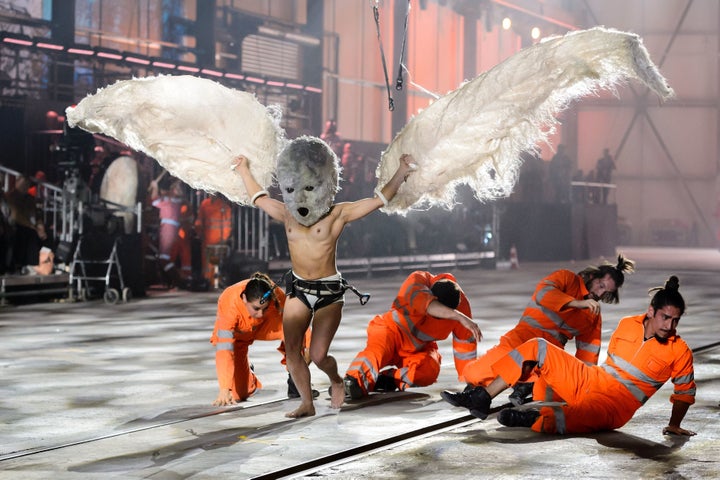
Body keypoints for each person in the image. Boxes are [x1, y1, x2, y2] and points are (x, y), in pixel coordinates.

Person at [232, 135, 415, 418]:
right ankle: (306, 402)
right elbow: (260, 198)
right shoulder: (288, 214)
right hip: (298, 289)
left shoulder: (337, 214)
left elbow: (378, 200)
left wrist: (402, 171)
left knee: (318, 355)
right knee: (292, 350)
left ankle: (336, 379)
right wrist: (243, 169)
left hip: (329, 292)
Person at [443, 276, 696, 437]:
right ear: (651, 311)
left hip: (617, 405)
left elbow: (684, 393)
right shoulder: (627, 323)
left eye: (675, 320)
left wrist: (674, 425)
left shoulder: (679, 350)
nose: (670, 326)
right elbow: (594, 361)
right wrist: (569, 373)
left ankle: (533, 420)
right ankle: (483, 397)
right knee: (537, 346)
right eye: (666, 317)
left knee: (575, 417)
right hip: (591, 379)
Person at [442, 255, 635, 406]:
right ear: (593, 276)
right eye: (601, 286)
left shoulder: (593, 316)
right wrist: (577, 303)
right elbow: (543, 294)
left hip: (544, 355)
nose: (600, 294)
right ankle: (519, 384)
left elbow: (588, 355)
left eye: (606, 292)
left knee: (547, 389)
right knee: (473, 374)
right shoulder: (567, 278)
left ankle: (523, 385)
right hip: (520, 338)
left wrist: (581, 384)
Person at [344, 270, 482, 399]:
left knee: (429, 370)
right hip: (391, 331)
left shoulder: (461, 307)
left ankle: (388, 380)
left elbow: (465, 347)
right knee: (377, 352)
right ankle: (353, 381)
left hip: (417, 349)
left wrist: (470, 381)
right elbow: (427, 304)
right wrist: (457, 316)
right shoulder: (417, 281)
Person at [210, 272, 313, 405]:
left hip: (269, 327)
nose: (260, 314)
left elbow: (298, 324)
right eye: (256, 308)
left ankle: (295, 380)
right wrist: (224, 389)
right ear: (244, 299)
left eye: (264, 309)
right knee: (239, 395)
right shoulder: (229, 303)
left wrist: (305, 356)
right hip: (240, 336)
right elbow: (224, 348)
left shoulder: (276, 297)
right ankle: (249, 375)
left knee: (298, 339)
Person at [4, 175, 47, 273]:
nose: (25, 186)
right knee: (26, 234)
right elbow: (16, 216)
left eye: (27, 184)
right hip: (18, 225)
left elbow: (37, 215)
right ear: (17, 183)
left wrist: (40, 226)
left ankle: (43, 264)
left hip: (31, 226)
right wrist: (33, 227)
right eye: (23, 183)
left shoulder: (30, 199)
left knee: (46, 236)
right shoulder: (11, 196)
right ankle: (26, 264)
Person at [195, 194, 233, 286]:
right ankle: (207, 280)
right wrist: (199, 234)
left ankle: (213, 282)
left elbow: (227, 225)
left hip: (217, 239)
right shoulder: (204, 204)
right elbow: (199, 221)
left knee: (214, 261)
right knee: (206, 262)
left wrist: (224, 238)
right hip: (207, 238)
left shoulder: (224, 206)